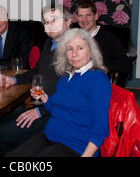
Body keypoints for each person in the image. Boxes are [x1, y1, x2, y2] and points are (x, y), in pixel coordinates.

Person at [7, 28, 112, 157]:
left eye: (80, 48)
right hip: (50, 135)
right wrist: (45, 98)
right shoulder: (65, 77)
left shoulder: (97, 79)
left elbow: (100, 127)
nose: (74, 54)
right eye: (69, 49)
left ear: (90, 51)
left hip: (75, 146)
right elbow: (56, 109)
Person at [0, 4, 72, 156]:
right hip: (41, 106)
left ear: (68, 21)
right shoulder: (50, 43)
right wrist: (13, 80)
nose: (50, 25)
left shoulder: (74, 50)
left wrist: (41, 111)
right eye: (46, 21)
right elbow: (37, 72)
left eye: (55, 20)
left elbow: (73, 94)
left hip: (57, 116)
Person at [76, 0, 132, 86]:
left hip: (96, 85)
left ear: (96, 16)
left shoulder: (108, 39)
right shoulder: (73, 37)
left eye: (88, 15)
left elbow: (126, 64)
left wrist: (98, 64)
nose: (84, 20)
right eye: (80, 16)